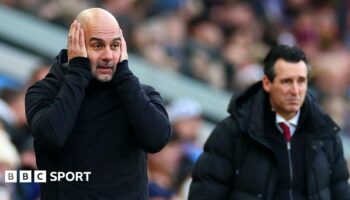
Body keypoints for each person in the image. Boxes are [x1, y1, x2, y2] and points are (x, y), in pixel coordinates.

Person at [25, 8, 172, 199]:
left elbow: (157, 138)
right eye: (97, 45)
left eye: (115, 45)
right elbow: (53, 136)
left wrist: (125, 76)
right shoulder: (44, 91)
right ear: (75, 46)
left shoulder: (141, 93)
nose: (108, 56)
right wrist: (78, 71)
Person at [189, 44, 350, 199]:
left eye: (301, 81)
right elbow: (207, 191)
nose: (295, 90)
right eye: (286, 81)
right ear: (267, 83)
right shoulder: (232, 132)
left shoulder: (326, 136)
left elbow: (340, 192)